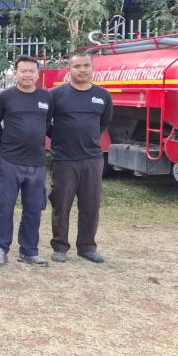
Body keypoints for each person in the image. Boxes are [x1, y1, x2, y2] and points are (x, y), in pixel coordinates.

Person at [0, 56, 53, 267]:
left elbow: (47, 123)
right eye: (23, 71)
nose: (27, 75)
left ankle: (29, 250)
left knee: (34, 208)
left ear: (38, 74)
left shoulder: (46, 97)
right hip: (10, 161)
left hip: (37, 162)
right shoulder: (4, 98)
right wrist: (3, 142)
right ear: (15, 74)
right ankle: (0, 248)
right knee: (4, 206)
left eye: (31, 71)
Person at [49, 52, 113, 263]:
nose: (82, 70)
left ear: (93, 68)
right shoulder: (56, 95)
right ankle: (60, 247)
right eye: (77, 66)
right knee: (61, 205)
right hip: (64, 159)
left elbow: (104, 123)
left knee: (90, 205)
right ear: (69, 69)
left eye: (86, 65)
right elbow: (44, 122)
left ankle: (87, 247)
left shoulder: (103, 95)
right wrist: (58, 138)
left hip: (92, 159)